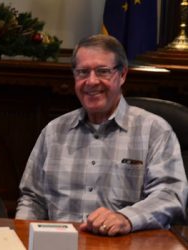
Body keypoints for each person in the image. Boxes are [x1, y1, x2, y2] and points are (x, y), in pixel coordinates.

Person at [16, 34, 188, 236]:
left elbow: (170, 194)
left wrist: (126, 218)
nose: (91, 81)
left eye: (102, 71)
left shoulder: (154, 131)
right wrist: (21, 235)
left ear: (122, 75)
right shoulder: (54, 131)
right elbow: (32, 198)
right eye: (82, 72)